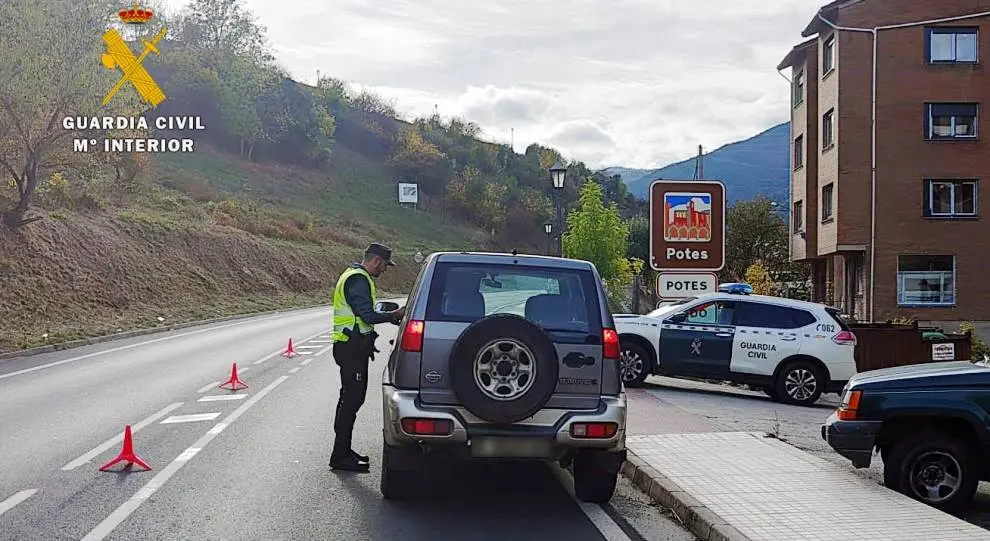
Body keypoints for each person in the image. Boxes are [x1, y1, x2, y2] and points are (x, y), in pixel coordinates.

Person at [329, 242, 405, 472]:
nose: (384, 270)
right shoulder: (359, 280)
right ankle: (340, 455)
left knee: (350, 399)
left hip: (351, 347)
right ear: (376, 261)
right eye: (384, 266)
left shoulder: (353, 275)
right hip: (350, 348)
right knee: (351, 400)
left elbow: (364, 316)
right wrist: (394, 314)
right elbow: (368, 315)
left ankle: (343, 451)